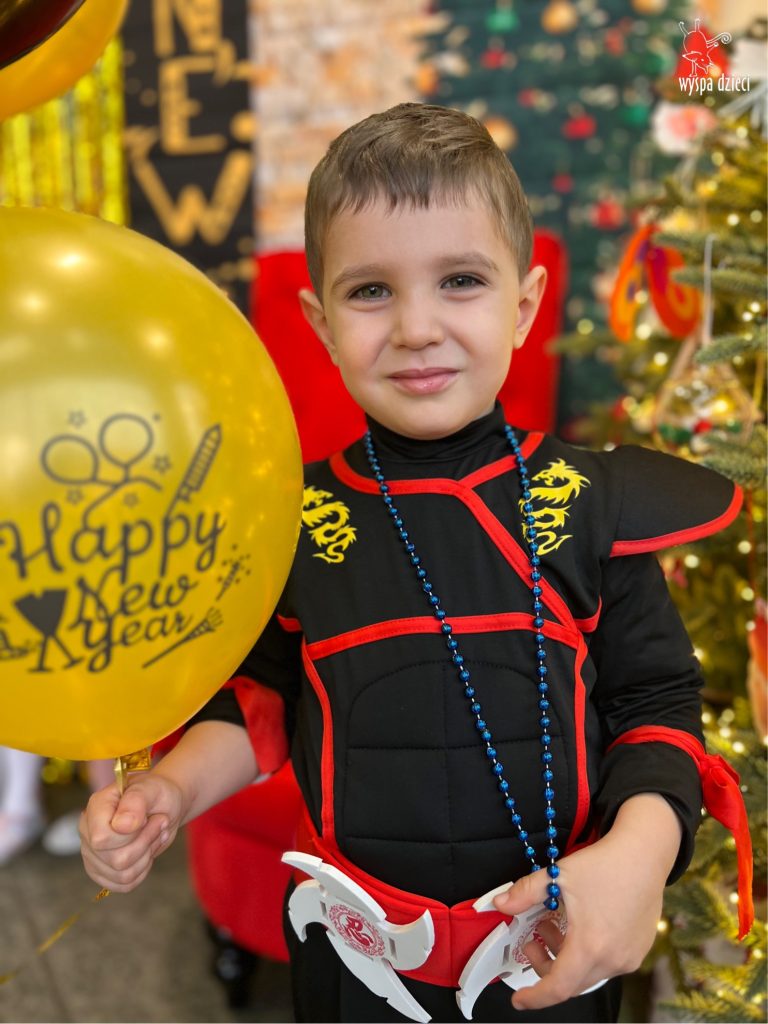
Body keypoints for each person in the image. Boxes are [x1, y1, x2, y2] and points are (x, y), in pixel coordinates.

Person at [79, 103, 748, 1023]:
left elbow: (656, 704)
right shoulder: (292, 521)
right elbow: (261, 697)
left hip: (549, 955)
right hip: (357, 966)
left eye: (461, 280)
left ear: (523, 306)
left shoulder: (592, 505)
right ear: (320, 322)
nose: (417, 327)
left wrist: (640, 852)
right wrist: (168, 788)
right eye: (370, 292)